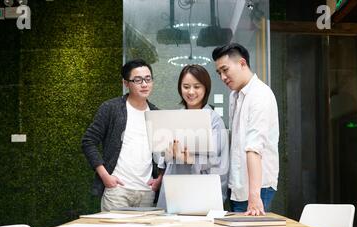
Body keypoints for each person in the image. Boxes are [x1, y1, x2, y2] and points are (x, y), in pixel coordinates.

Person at [81, 59, 163, 211]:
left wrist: (159, 179)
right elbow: (88, 141)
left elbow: (164, 153)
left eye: (148, 79)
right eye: (137, 80)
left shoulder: (156, 113)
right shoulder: (111, 108)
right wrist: (105, 176)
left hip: (147, 191)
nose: (144, 84)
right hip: (117, 191)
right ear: (126, 83)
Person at [212, 43, 279, 216]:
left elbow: (254, 148)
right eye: (219, 73)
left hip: (257, 189)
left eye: (225, 70)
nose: (223, 77)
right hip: (238, 187)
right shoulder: (235, 95)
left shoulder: (260, 94)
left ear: (242, 63)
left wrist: (254, 196)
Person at [157, 64, 229, 210]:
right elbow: (159, 154)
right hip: (174, 188)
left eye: (197, 87)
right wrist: (166, 155)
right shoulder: (173, 118)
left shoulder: (214, 120)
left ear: (205, 89)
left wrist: (191, 160)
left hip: (202, 189)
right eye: (186, 86)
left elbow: (217, 158)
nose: (191, 92)